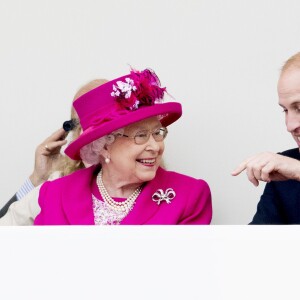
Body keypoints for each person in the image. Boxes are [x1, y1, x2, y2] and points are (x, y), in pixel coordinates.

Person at [34, 68, 212, 225]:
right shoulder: (54, 194)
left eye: (158, 133)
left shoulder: (190, 196)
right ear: (103, 146)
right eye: (141, 135)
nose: (155, 146)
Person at [0, 79, 108, 225]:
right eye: (79, 126)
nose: (89, 136)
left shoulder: (142, 171)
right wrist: (38, 178)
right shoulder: (57, 183)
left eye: (100, 123)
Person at [232, 51, 300, 224]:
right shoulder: (286, 168)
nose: (290, 126)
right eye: (285, 110)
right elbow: (253, 245)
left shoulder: (291, 167)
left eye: (299, 108)